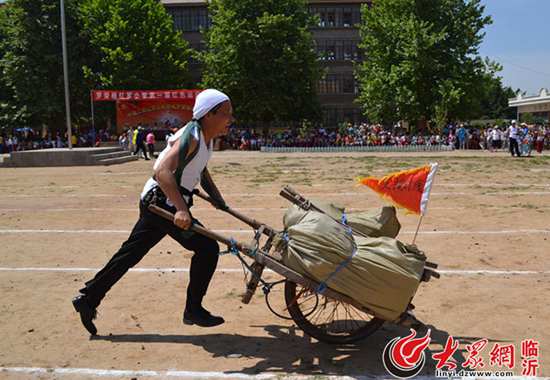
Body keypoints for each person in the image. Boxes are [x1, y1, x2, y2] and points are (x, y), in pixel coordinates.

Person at [72, 89, 234, 335]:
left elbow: (200, 169)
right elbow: (162, 172)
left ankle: (88, 297)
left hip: (163, 201)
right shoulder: (191, 136)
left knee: (130, 254)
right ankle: (193, 309)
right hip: (161, 202)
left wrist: (218, 199)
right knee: (207, 248)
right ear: (209, 114)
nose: (230, 119)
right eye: (226, 113)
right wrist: (181, 209)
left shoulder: (205, 139)